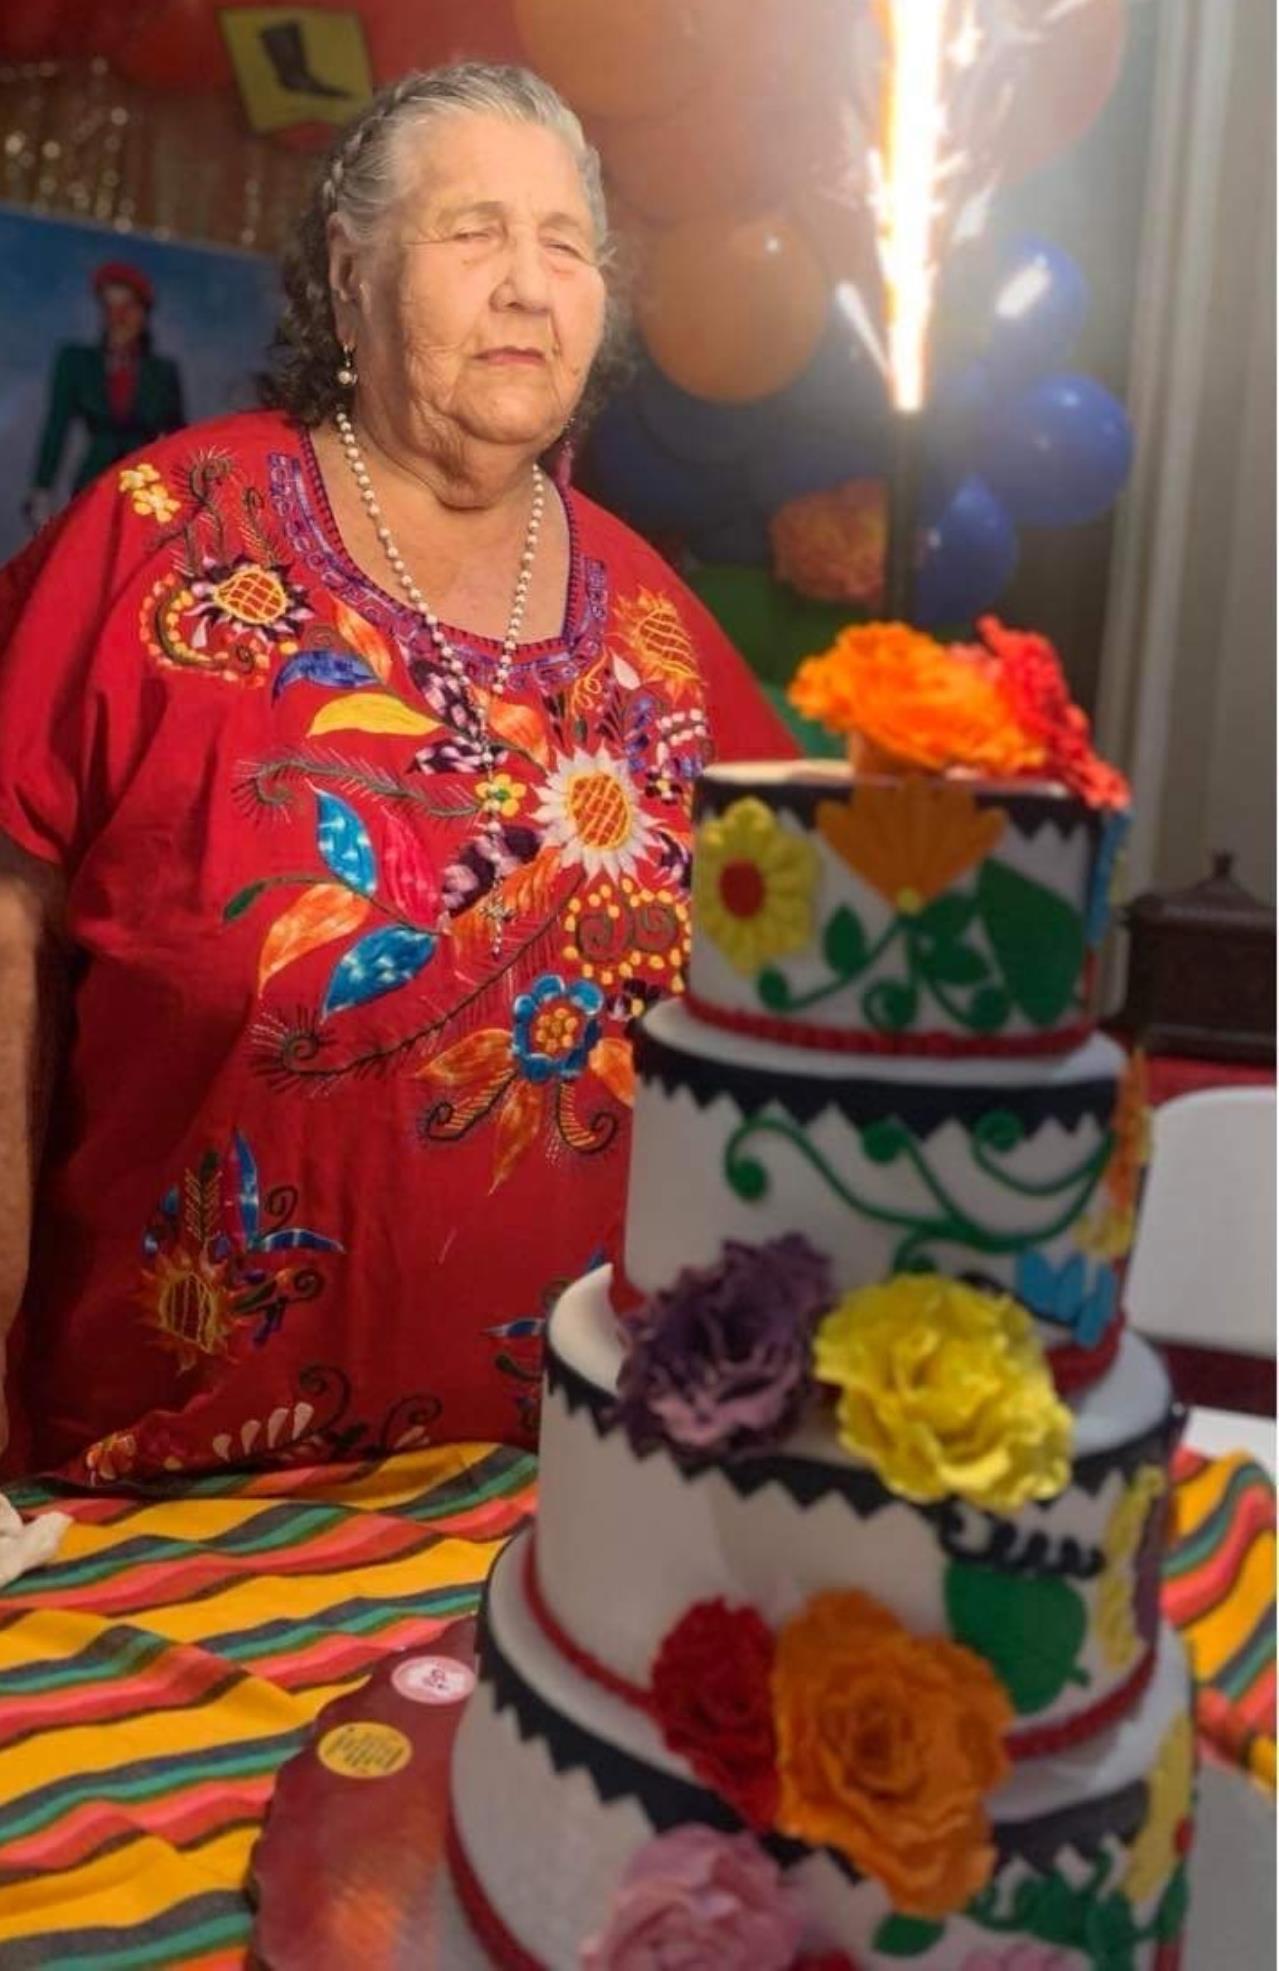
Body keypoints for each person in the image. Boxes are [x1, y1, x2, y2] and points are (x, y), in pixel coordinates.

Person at [0, 64, 794, 1487]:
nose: (528, 284)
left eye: (566, 244)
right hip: (156, 1496)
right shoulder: (157, 541)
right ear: (348, 269)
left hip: (564, 1498)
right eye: (472, 231)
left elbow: (796, 1018)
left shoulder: (664, 631)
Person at [23, 261, 186, 531]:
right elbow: (57, 426)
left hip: (146, 491)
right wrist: (42, 488)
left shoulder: (162, 372)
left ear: (143, 314)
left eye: (128, 308)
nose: (118, 319)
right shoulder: (77, 362)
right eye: (110, 308)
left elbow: (178, 437)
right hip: (93, 483)